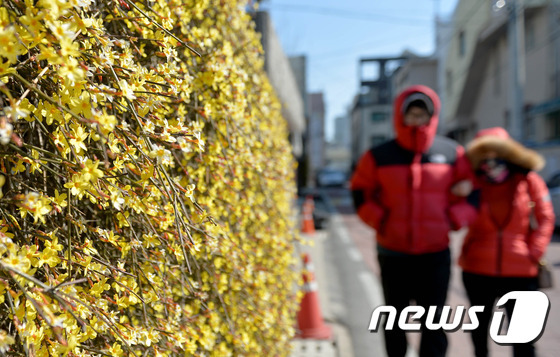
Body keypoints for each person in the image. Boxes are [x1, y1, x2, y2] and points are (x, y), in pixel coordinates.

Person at [350, 84, 476, 357]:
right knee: (394, 320)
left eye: (422, 114)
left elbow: (472, 193)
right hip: (393, 253)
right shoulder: (379, 155)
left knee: (435, 322)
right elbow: (360, 193)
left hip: (435, 254)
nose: (417, 119)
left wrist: (453, 219)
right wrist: (382, 220)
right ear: (400, 115)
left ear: (432, 116)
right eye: (412, 114)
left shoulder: (452, 153)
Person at [459, 127, 554, 357]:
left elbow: (545, 216)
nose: (491, 159)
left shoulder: (527, 179)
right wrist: (460, 194)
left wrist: (534, 251)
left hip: (521, 270)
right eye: (485, 153)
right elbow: (456, 215)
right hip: (477, 267)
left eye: (497, 151)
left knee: (524, 338)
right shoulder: (472, 182)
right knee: (479, 333)